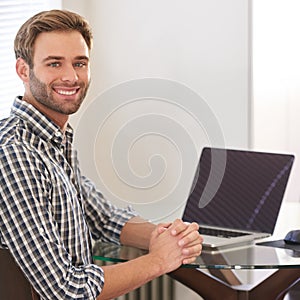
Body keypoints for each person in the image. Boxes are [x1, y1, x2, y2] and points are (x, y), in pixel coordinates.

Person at [0, 9, 203, 300]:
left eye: (79, 63)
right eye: (54, 64)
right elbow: (66, 290)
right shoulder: (15, 154)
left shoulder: (54, 139)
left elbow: (104, 217)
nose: (71, 77)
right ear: (23, 70)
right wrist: (159, 260)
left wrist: (170, 238)